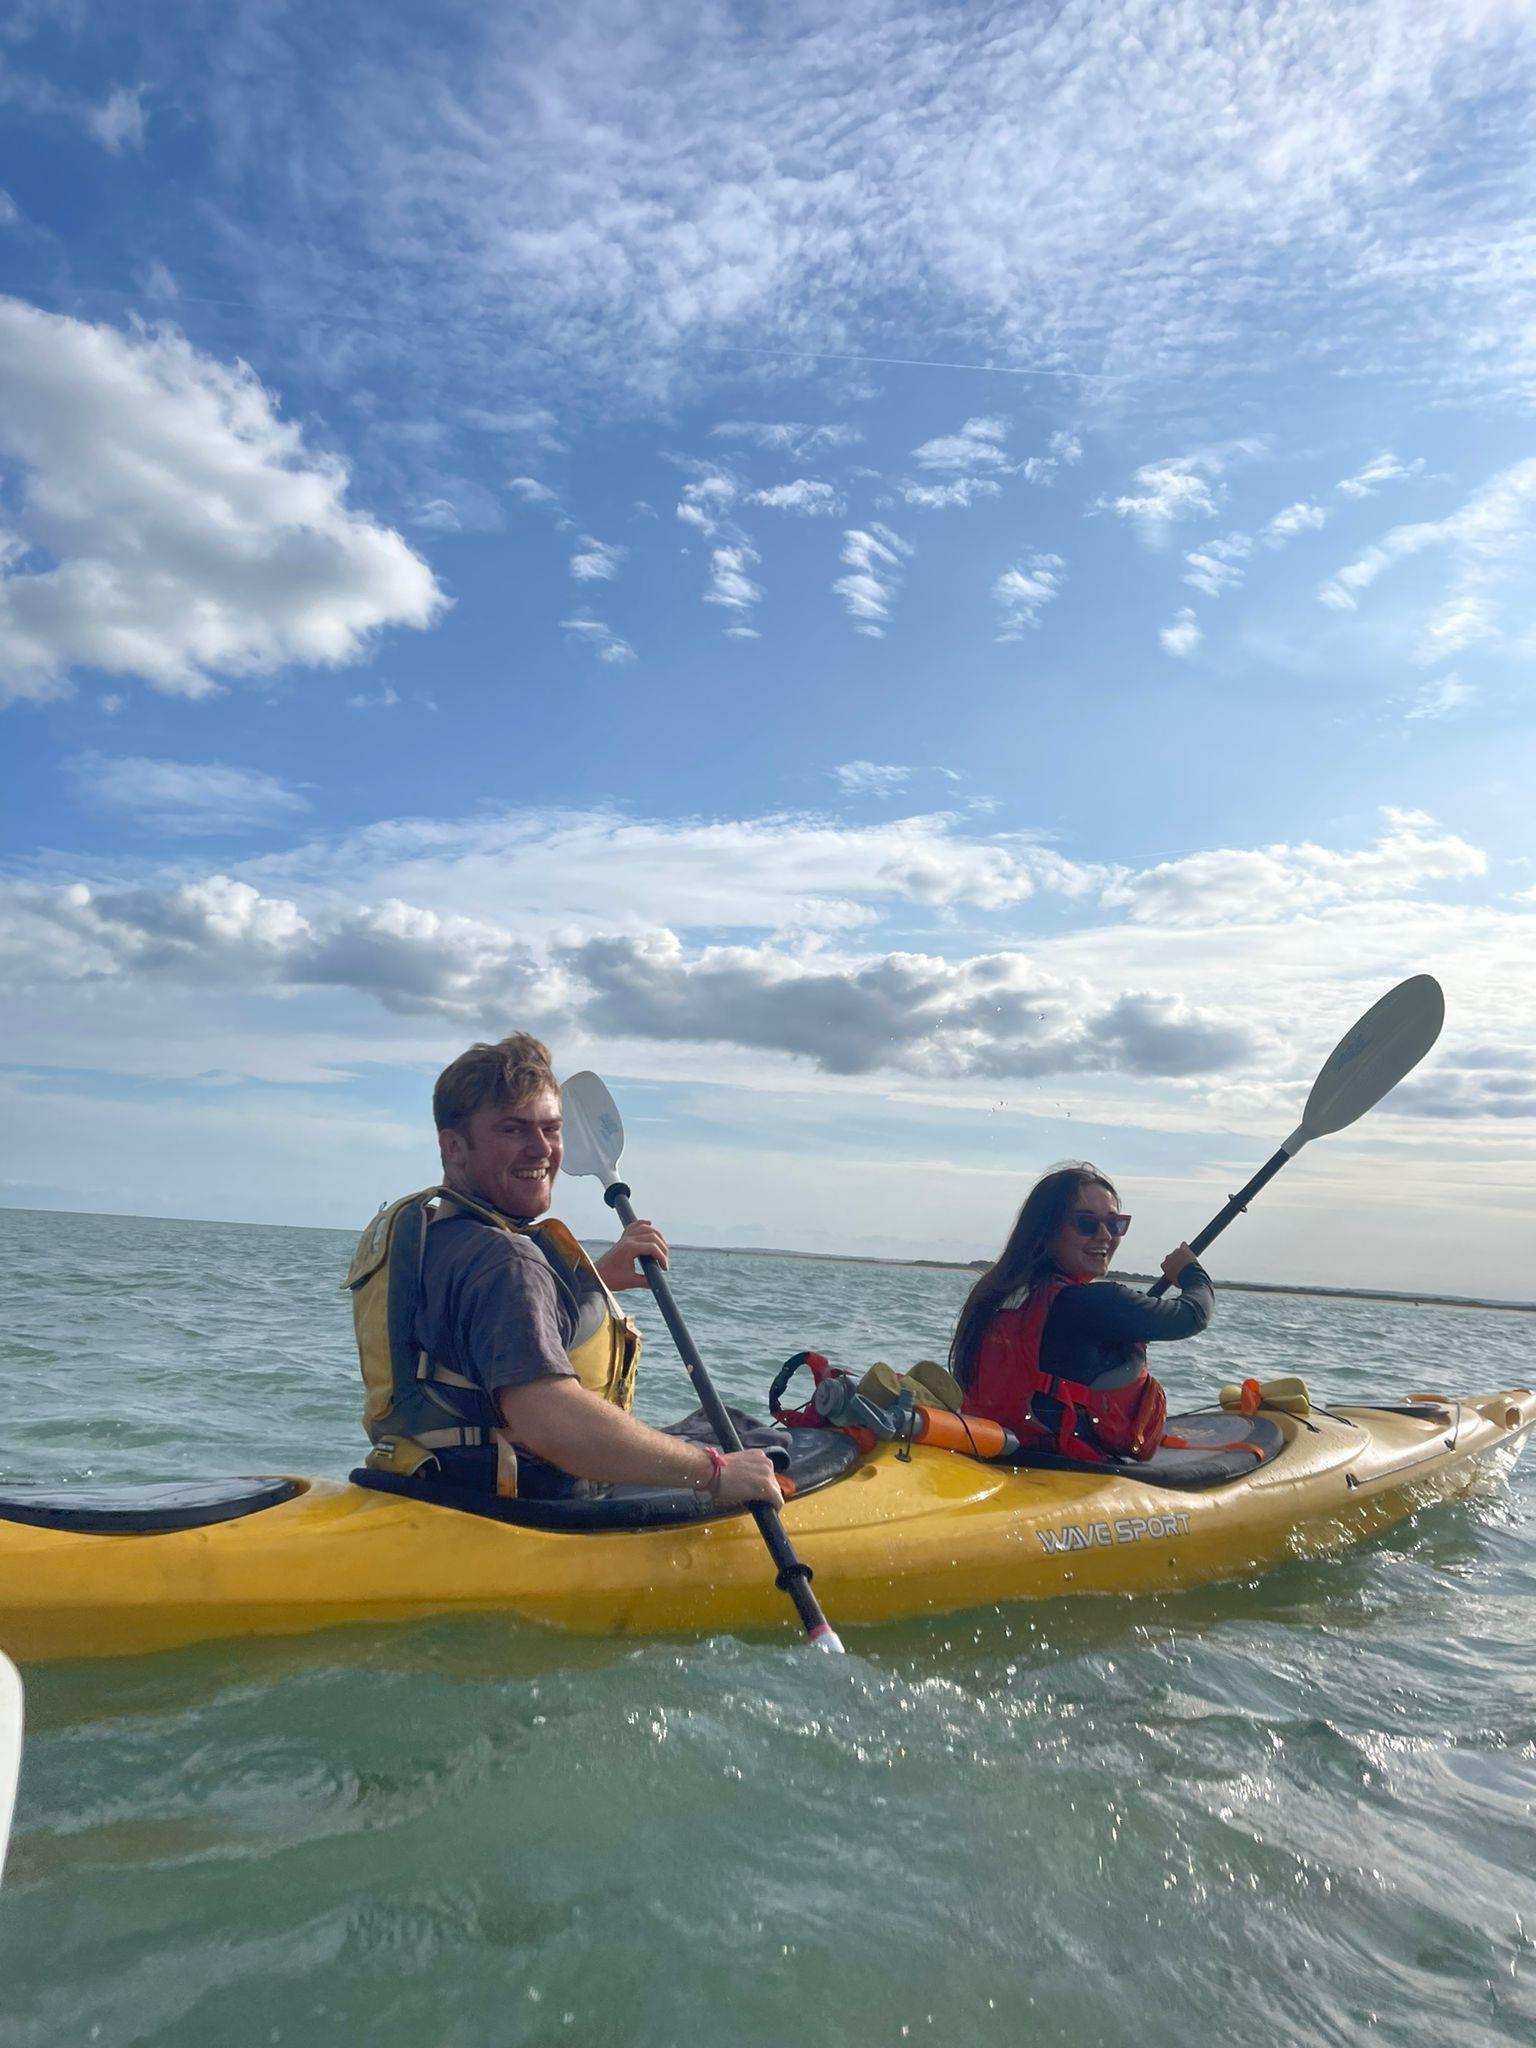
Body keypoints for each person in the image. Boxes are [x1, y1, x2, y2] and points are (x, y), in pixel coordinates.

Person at [347, 1033, 783, 1508]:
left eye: (551, 1129)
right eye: (513, 1130)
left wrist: (595, 1279)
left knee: (727, 1429)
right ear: (454, 1147)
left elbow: (480, 1331)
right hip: (525, 1506)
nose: (541, 1150)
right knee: (750, 1443)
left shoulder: (433, 1231)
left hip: (429, 1484)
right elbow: (552, 1424)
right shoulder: (505, 1262)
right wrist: (714, 1472)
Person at [948, 1163, 1213, 1464]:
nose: (1104, 1235)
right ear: (1048, 1229)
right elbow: (1193, 1315)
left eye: (1115, 1224)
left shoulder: (992, 1293)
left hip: (994, 1456)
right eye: (1086, 1223)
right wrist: (1192, 1272)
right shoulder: (1094, 1304)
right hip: (1064, 1470)